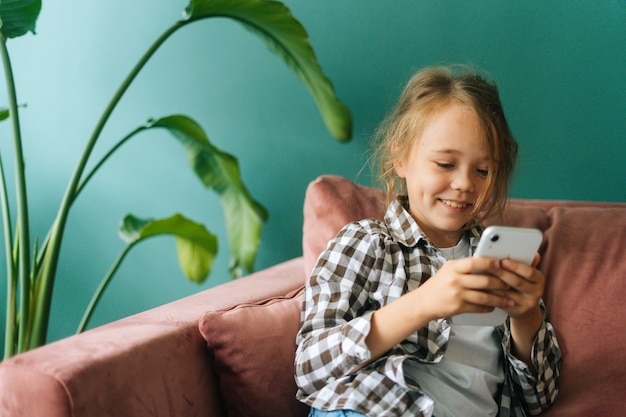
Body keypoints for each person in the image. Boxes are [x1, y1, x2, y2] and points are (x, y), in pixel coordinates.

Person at [294, 65, 562, 417]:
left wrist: (526, 316)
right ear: (400, 157)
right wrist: (423, 303)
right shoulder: (367, 244)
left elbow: (540, 398)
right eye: (445, 164)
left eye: (483, 170)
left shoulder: (498, 260)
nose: (465, 183)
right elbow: (309, 369)